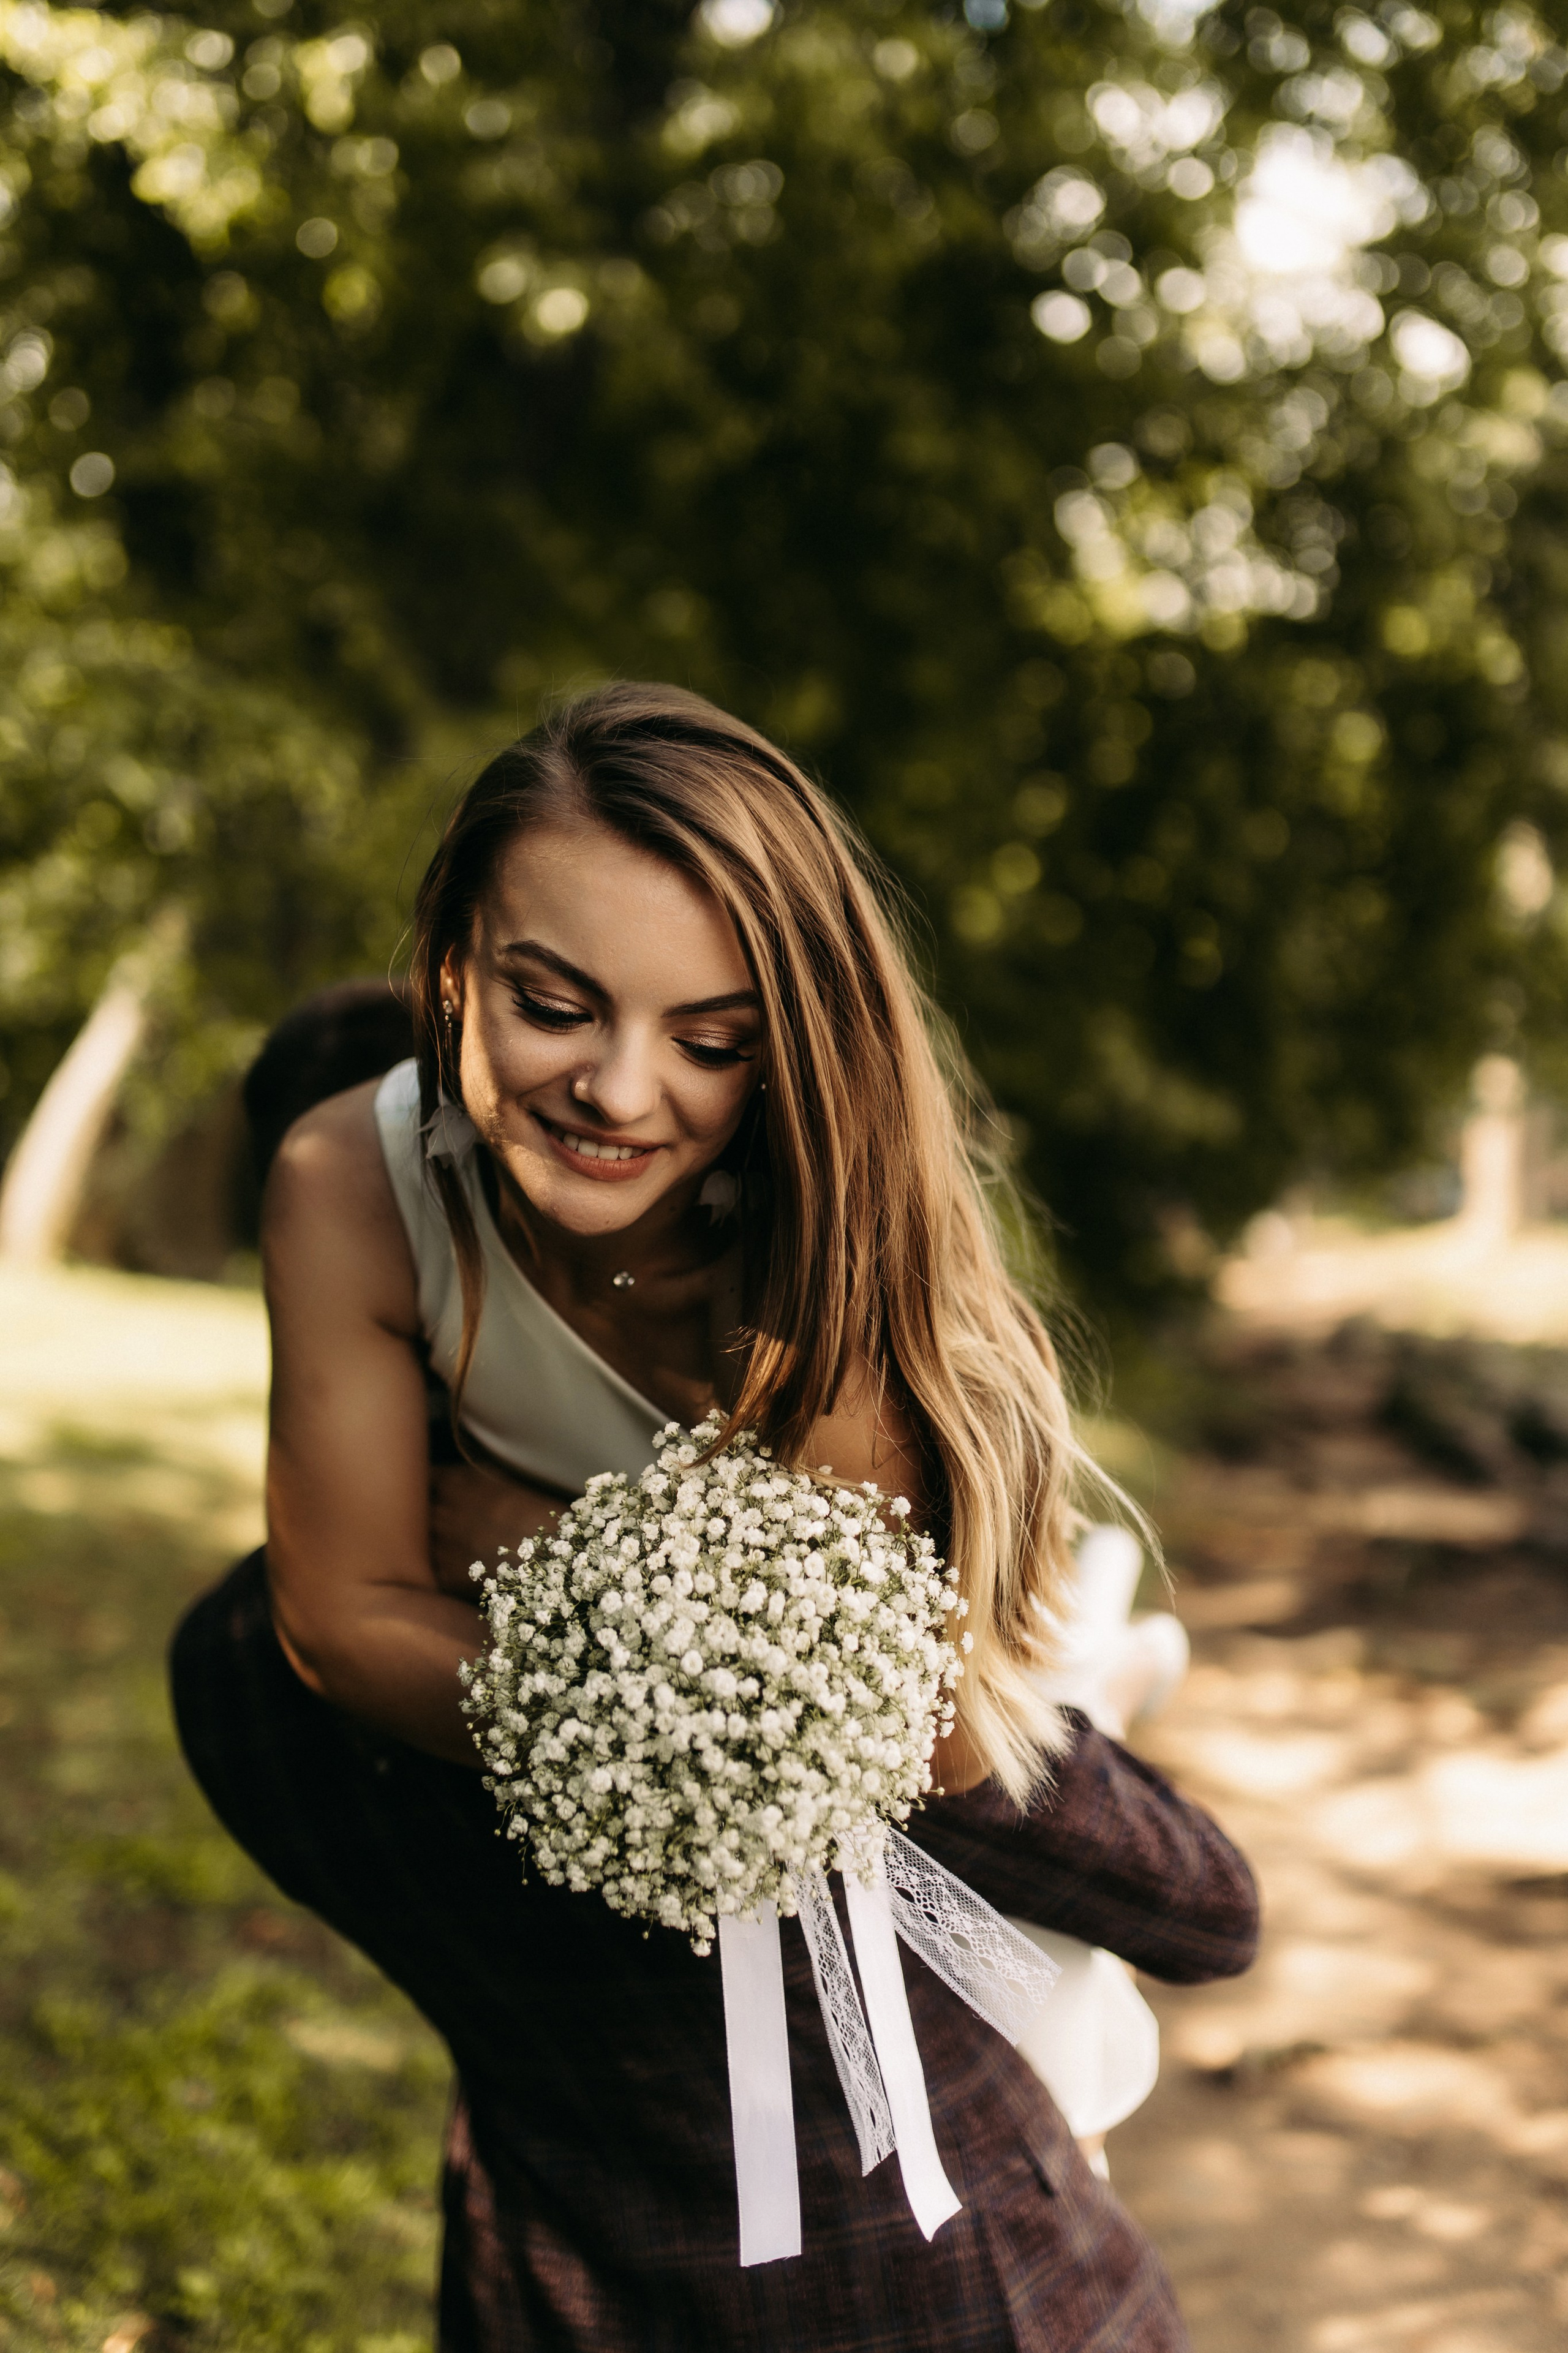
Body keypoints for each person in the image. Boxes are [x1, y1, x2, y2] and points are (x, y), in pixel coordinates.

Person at [171, 683, 1257, 2352]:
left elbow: (811, 1730)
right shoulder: (344, 1179)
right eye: (556, 1002)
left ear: (786, 1045)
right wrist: (610, 1677)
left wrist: (514, 1537)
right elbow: (341, 1619)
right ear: (453, 957)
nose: (620, 1089)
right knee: (234, 1660)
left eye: (711, 1036)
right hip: (691, 1795)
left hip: (919, 1738)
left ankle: (1107, 1725)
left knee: (1173, 1898)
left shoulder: (825, 1255)